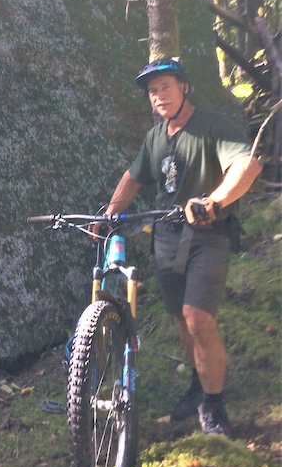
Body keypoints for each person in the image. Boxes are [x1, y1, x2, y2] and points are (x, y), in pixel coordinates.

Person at [102, 57, 262, 437]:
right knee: (180, 321)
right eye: (153, 91)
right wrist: (109, 214)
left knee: (197, 317)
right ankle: (198, 384)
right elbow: (133, 177)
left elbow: (247, 166)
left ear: (184, 87)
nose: (159, 96)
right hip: (167, 238)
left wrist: (215, 202)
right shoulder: (156, 137)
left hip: (208, 236)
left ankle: (214, 404)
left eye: (166, 87)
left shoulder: (213, 125)